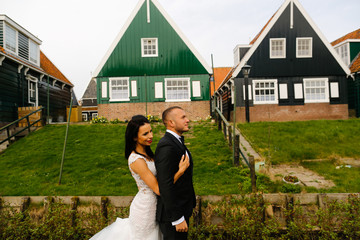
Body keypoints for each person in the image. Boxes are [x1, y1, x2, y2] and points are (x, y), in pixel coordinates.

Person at [90, 115, 189, 240]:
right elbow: (158, 189)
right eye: (145, 134)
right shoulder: (136, 160)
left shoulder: (148, 153)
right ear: (135, 137)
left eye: (151, 131)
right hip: (145, 209)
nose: (151, 136)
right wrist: (180, 172)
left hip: (156, 206)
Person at [155, 106, 196, 240]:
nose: (188, 120)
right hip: (172, 217)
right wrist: (177, 218)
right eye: (183, 117)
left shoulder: (176, 142)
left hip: (182, 210)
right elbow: (165, 185)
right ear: (171, 123)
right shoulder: (166, 145)